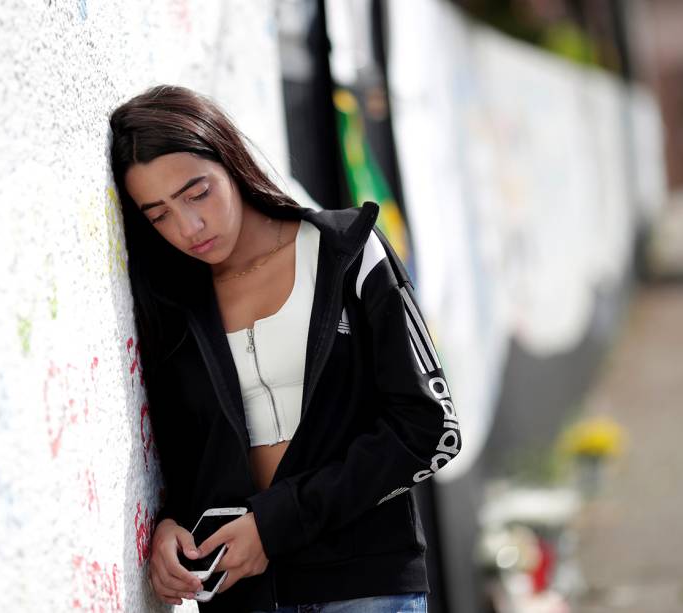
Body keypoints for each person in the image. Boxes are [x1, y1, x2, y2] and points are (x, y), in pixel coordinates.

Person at [109, 84, 461, 612]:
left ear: (229, 159)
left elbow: (429, 427)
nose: (189, 227)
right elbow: (181, 452)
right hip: (241, 596)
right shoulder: (170, 304)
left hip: (363, 584)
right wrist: (166, 528)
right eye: (158, 215)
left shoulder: (349, 253)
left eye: (197, 193)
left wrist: (275, 527)